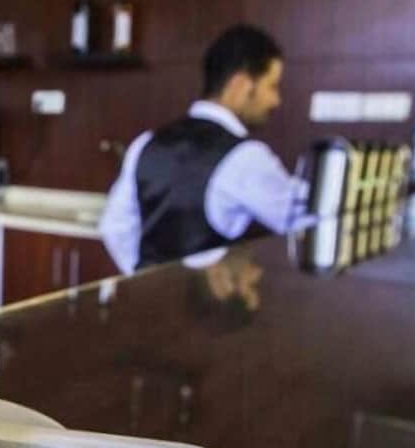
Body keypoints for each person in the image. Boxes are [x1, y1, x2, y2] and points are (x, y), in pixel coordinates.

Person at [100, 24, 307, 272]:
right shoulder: (246, 158)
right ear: (241, 85)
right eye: (272, 86)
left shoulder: (146, 143)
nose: (276, 100)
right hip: (204, 297)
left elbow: (114, 228)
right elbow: (303, 221)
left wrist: (142, 277)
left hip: (147, 295)